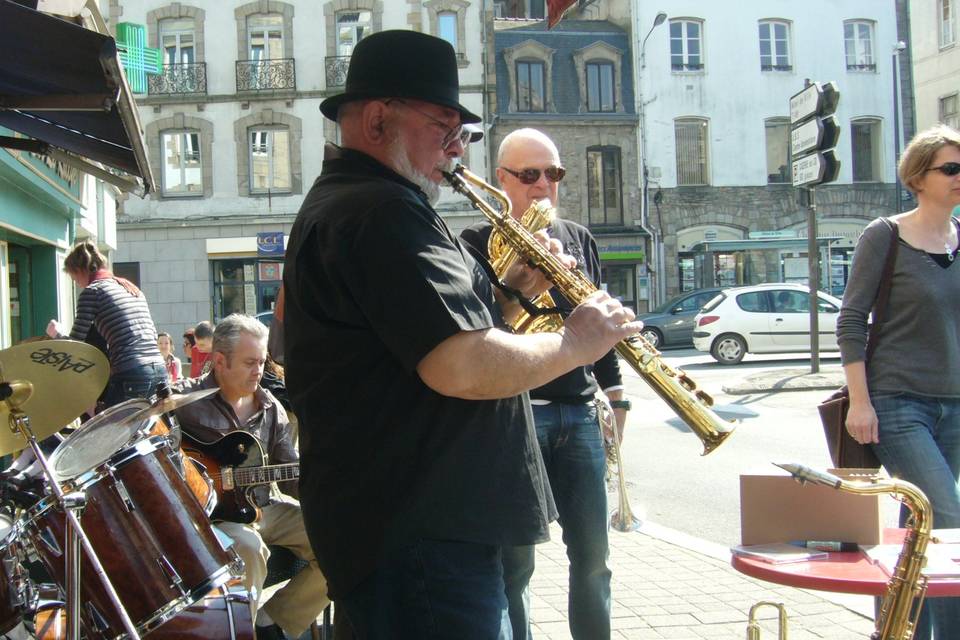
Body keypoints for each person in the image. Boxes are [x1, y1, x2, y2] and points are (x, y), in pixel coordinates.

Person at [283, 29, 642, 638]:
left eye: (463, 135)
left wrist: (510, 295)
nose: (457, 151)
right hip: (423, 539)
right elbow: (462, 366)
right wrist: (580, 341)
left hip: (414, 533)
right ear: (377, 121)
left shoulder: (367, 203)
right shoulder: (379, 211)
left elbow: (409, 348)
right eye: (444, 129)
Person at [461, 128, 628, 640]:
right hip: (516, 413)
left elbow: (598, 322)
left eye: (553, 173)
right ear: (501, 180)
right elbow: (479, 333)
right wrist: (511, 281)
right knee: (515, 565)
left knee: (594, 559)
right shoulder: (472, 242)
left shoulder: (579, 236)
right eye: (529, 175)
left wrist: (617, 398)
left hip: (578, 412)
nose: (542, 186)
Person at [839, 124, 960, 639]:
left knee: (920, 535)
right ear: (918, 176)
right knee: (949, 522)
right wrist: (860, 403)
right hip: (898, 403)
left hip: (955, 404)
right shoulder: (885, 235)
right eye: (951, 168)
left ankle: (896, 631)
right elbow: (850, 320)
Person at [172, 314, 328, 640]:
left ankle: (273, 622)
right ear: (219, 361)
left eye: (261, 361)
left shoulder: (270, 406)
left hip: (265, 507)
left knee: (339, 540)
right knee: (248, 545)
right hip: (216, 519)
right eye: (249, 362)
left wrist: (327, 488)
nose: (259, 371)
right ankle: (239, 633)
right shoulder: (184, 403)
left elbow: (289, 475)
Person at [46, 241, 165, 409]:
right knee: (146, 432)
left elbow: (75, 346)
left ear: (80, 270)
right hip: (159, 369)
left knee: (111, 431)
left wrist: (56, 334)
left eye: (74, 278)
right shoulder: (130, 288)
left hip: (131, 373)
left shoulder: (92, 292)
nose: (77, 284)